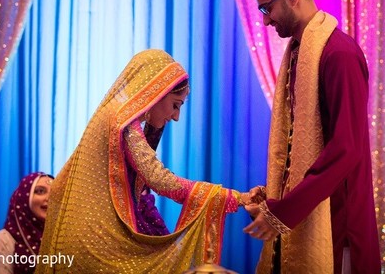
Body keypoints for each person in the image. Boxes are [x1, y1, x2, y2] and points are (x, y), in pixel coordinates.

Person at [37, 49, 252, 273]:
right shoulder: (123, 120)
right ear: (155, 92)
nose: (176, 117)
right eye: (175, 105)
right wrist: (235, 197)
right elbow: (160, 180)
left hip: (82, 239)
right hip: (96, 246)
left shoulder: (114, 115)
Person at [243, 0, 381, 274]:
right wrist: (275, 201)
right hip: (306, 212)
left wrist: (284, 211)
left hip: (338, 224)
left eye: (267, 8)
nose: (265, 21)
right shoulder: (297, 54)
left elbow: (346, 150)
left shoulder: (340, 54)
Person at [0, 172, 53, 274]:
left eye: (54, 193)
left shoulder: (58, 238)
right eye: (40, 191)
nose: (49, 198)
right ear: (24, 198)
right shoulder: (3, 240)